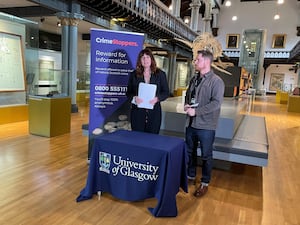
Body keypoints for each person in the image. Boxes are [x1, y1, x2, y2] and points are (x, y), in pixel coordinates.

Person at [184, 49, 225, 198]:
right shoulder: (194, 79)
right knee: (190, 151)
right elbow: (189, 95)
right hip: (191, 124)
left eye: (197, 60)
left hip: (206, 126)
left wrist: (197, 112)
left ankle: (205, 182)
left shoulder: (217, 81)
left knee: (206, 155)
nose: (195, 62)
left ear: (207, 62)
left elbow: (216, 103)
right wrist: (186, 105)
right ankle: (190, 176)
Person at [126, 48, 169, 134]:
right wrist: (134, 98)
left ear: (151, 59)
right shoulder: (133, 75)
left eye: (148, 57)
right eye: (143, 58)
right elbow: (128, 92)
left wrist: (157, 98)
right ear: (140, 61)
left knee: (152, 140)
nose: (145, 60)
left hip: (154, 113)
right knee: (137, 138)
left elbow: (166, 92)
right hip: (137, 113)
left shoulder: (160, 74)